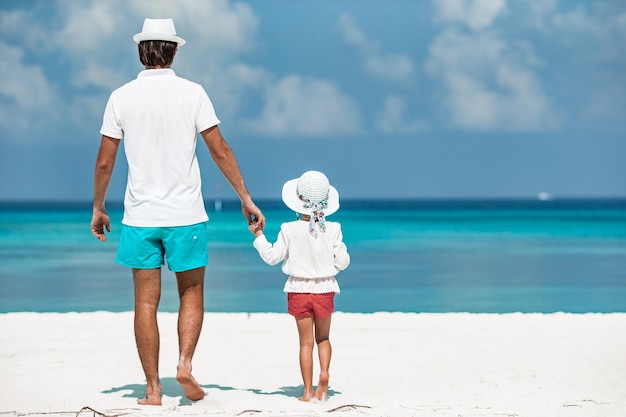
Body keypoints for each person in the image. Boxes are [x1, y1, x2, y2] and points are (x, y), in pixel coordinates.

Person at [90, 18, 265, 406]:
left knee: (145, 303)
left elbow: (105, 162)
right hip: (185, 214)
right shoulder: (193, 93)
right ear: (173, 50)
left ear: (141, 50)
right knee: (192, 292)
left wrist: (100, 207)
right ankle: (184, 363)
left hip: (140, 218)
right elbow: (219, 149)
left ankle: (153, 390)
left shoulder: (120, 97)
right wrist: (245, 197)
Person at [247, 170, 350, 402]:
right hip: (325, 289)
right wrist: (329, 266)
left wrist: (259, 236)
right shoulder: (333, 228)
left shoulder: (288, 229)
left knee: (305, 343)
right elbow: (343, 261)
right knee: (323, 338)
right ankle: (324, 375)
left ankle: (307, 392)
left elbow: (273, 257)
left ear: (297, 202)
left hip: (298, 291)